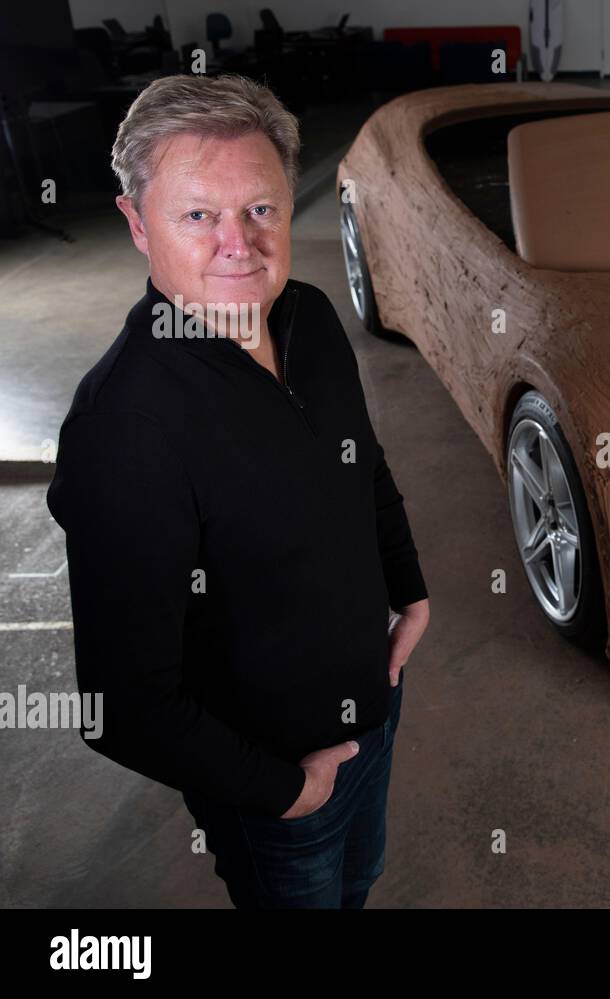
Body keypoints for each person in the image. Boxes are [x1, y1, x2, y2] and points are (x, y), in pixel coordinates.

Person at [46, 73, 429, 908]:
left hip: (373, 710)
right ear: (138, 225)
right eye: (198, 215)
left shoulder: (313, 319)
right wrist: (284, 790)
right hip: (281, 783)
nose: (240, 244)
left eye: (260, 208)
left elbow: (359, 459)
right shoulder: (126, 428)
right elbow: (121, 706)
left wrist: (409, 587)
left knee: (360, 881)